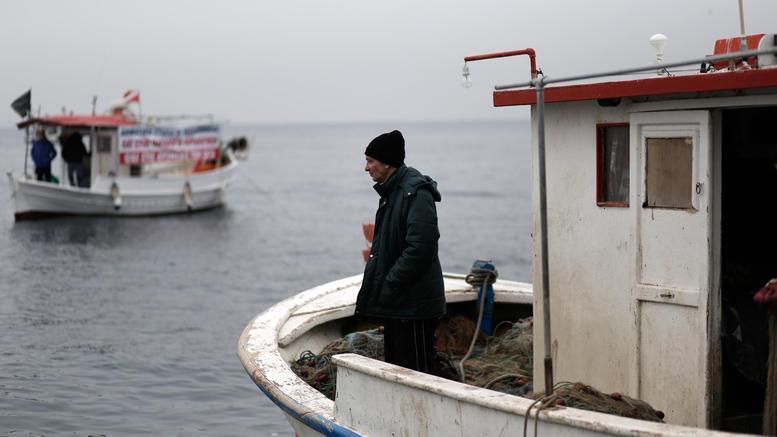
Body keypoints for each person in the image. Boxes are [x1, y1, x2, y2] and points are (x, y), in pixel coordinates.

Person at [355, 129, 446, 376]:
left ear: (388, 163)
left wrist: (390, 282)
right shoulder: (392, 191)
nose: (366, 168)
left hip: (414, 306)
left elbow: (420, 249)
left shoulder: (415, 193)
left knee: (418, 372)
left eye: (370, 161)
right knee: (397, 370)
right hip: (398, 303)